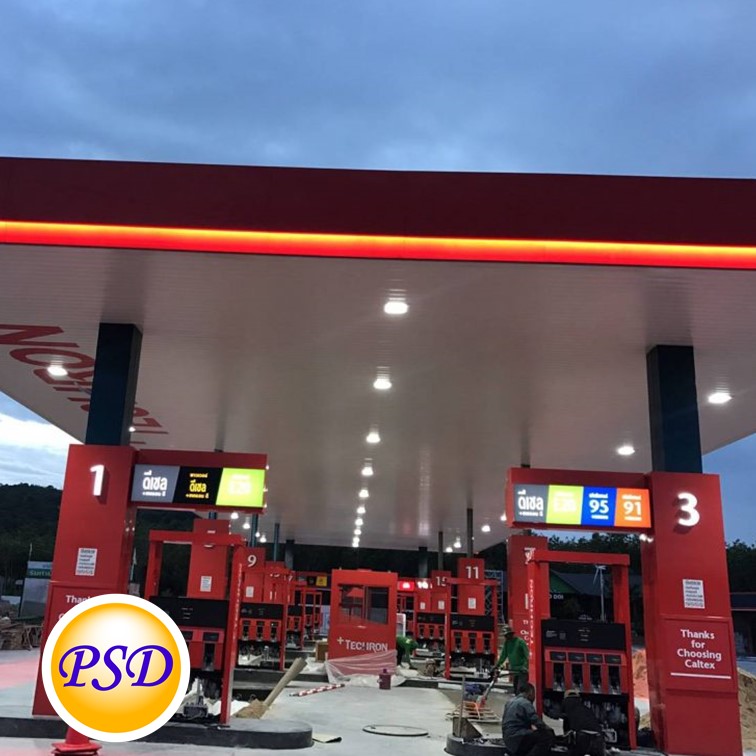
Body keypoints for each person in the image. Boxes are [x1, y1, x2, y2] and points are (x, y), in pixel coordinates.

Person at [501, 682, 555, 756]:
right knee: (546, 736)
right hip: (518, 738)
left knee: (534, 734)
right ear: (531, 692)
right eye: (534, 694)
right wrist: (549, 730)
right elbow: (537, 722)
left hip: (507, 738)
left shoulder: (510, 702)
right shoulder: (525, 703)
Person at [561, 689, 606, 756]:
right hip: (598, 736)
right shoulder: (587, 710)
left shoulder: (568, 709)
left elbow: (567, 729)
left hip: (583, 736)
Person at [495, 625, 529, 693]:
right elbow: (503, 655)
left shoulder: (520, 642)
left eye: (507, 635)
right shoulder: (507, 643)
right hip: (514, 670)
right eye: (505, 636)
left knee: (520, 690)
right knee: (515, 689)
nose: (506, 637)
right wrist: (497, 665)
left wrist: (525, 666)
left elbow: (527, 656)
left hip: (522, 670)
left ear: (511, 634)